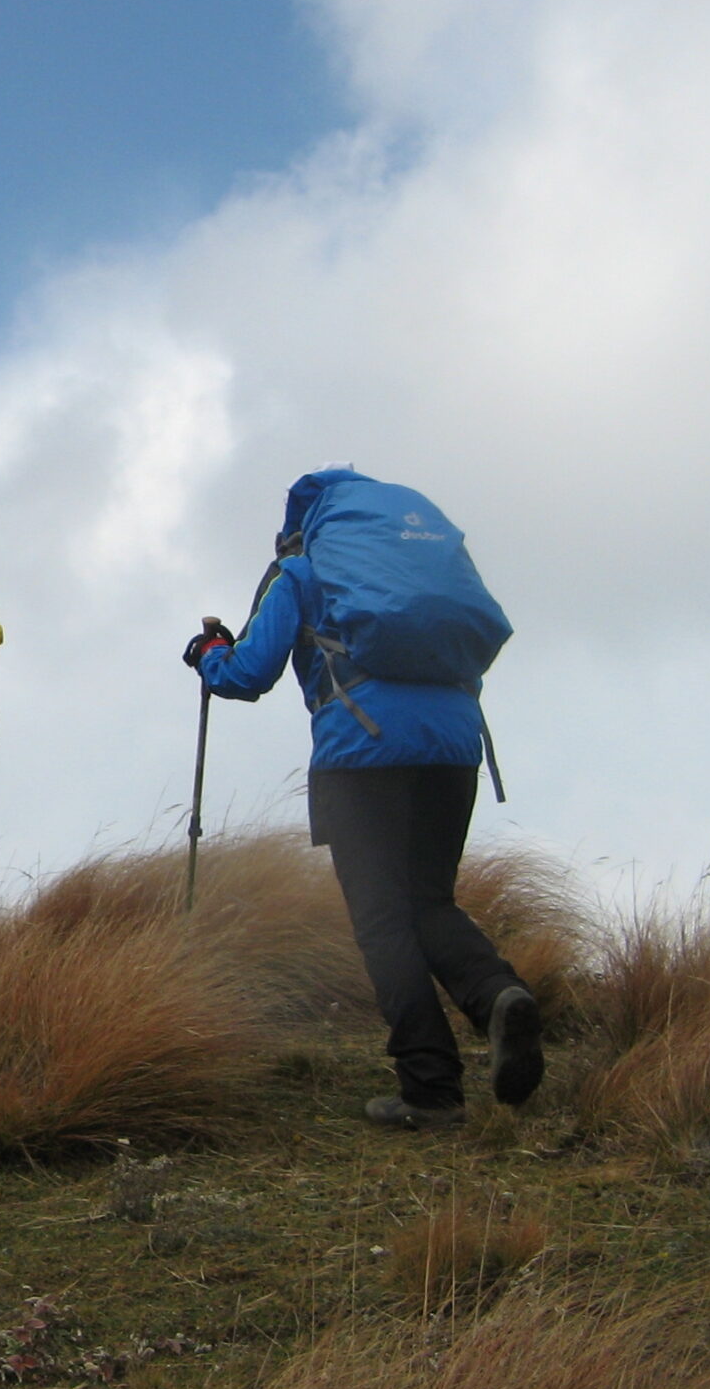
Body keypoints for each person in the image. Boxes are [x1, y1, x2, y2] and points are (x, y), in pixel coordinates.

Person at [186, 466, 542, 1130]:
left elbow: (246, 674)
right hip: (453, 746)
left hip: (362, 754)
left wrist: (209, 652)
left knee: (382, 923)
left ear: (303, 525)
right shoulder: (421, 561)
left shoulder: (302, 571)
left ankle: (432, 1091)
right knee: (429, 901)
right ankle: (498, 995)